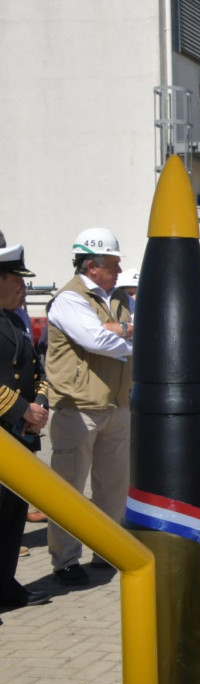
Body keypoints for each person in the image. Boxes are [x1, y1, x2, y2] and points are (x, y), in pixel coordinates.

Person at [44, 227, 134, 586]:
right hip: (78, 408)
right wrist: (125, 332)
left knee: (113, 487)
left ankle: (106, 550)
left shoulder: (118, 299)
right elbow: (97, 340)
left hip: (116, 405)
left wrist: (121, 329)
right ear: (93, 265)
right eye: (113, 263)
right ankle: (65, 561)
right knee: (68, 489)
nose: (118, 268)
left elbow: (127, 336)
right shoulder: (70, 298)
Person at [0, 243, 51, 613]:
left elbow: (37, 371)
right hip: (6, 431)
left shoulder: (16, 320)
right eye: (17, 278)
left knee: (11, 519)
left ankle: (5, 584)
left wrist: (41, 405)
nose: (23, 286)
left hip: (21, 437)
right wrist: (21, 409)